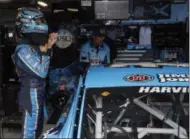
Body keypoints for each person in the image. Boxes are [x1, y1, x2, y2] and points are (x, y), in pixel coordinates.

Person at [11, 7, 58, 138]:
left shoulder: (33, 47)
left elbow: (45, 66)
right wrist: (46, 50)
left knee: (38, 130)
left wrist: (48, 46)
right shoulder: (22, 50)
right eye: (39, 20)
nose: (42, 23)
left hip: (39, 92)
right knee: (29, 133)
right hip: (30, 94)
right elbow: (42, 71)